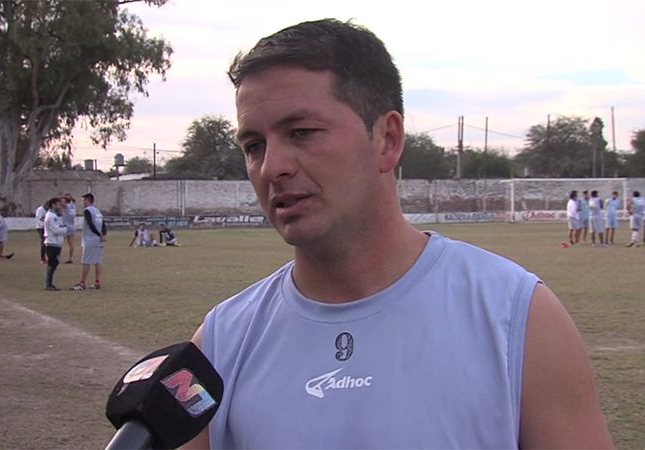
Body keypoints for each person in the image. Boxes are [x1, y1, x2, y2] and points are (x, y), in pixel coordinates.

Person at [182, 19, 612, 449]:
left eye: (302, 133)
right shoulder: (217, 348)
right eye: (253, 146)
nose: (272, 167)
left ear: (387, 139)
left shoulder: (518, 317)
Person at [71, 193, 107, 291]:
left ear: (88, 200)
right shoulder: (97, 211)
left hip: (90, 240)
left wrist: (98, 234)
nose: (82, 203)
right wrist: (103, 235)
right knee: (97, 261)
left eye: (83, 200)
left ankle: (82, 283)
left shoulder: (87, 211)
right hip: (99, 241)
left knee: (86, 262)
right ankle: (97, 282)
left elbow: (90, 224)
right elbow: (103, 225)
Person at [43, 197, 68, 291]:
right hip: (52, 243)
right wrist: (65, 229)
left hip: (55, 243)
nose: (60, 206)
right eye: (58, 205)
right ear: (53, 205)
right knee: (52, 263)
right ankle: (48, 284)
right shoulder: (51, 216)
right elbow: (56, 230)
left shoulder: (54, 215)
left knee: (54, 263)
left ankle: (49, 283)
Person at [61, 193, 77, 263]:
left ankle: (57, 257)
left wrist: (61, 197)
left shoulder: (66, 206)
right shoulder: (73, 205)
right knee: (71, 244)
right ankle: (71, 258)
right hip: (72, 226)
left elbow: (61, 203)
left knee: (59, 242)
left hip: (65, 226)